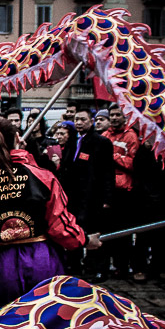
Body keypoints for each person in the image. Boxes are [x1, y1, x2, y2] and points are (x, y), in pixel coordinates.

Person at [0, 116, 101, 318]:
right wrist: (83, 240)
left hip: (1, 264)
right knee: (46, 321)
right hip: (43, 258)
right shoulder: (43, 175)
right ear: (16, 137)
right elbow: (61, 223)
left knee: (2, 325)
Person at [60, 108, 115, 279]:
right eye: (77, 119)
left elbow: (108, 173)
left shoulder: (101, 142)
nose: (79, 122)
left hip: (93, 197)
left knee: (94, 234)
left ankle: (98, 268)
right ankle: (74, 267)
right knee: (74, 231)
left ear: (91, 121)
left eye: (83, 119)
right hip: (74, 197)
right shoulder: (73, 142)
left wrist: (107, 198)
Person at [102, 104, 140, 279]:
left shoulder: (131, 136)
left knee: (124, 233)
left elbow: (134, 163)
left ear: (125, 117)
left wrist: (113, 156)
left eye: (118, 115)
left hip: (125, 191)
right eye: (112, 115)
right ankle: (111, 265)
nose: (115, 118)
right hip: (108, 190)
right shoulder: (105, 135)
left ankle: (123, 267)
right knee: (108, 230)